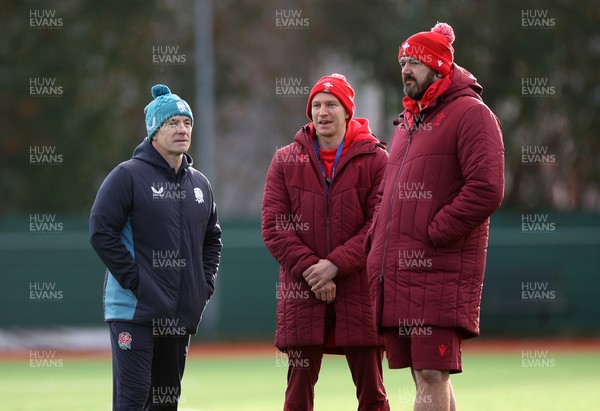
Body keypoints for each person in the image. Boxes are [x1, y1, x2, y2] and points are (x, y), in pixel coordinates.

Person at [365, 23, 505, 411]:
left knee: (431, 374)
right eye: (403, 62)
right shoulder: (408, 122)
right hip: (401, 272)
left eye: (414, 62)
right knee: (423, 374)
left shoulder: (472, 114)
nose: (406, 69)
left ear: (439, 66)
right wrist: (375, 237)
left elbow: (487, 188)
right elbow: (389, 195)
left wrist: (436, 231)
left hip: (438, 270)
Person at [262, 73, 390, 411]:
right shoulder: (284, 160)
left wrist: (335, 265)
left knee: (373, 393)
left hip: (358, 289)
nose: (323, 112)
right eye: (316, 105)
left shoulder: (376, 160)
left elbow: (378, 225)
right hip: (303, 290)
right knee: (298, 393)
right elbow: (275, 227)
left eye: (331, 104)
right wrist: (313, 271)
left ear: (348, 111)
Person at [90, 84, 222, 411]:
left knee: (165, 404)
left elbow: (212, 239)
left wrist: (202, 287)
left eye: (187, 122)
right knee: (132, 402)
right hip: (134, 313)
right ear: (154, 131)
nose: (182, 129)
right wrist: (137, 284)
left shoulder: (200, 185)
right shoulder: (127, 176)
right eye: (172, 123)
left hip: (177, 317)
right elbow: (100, 232)